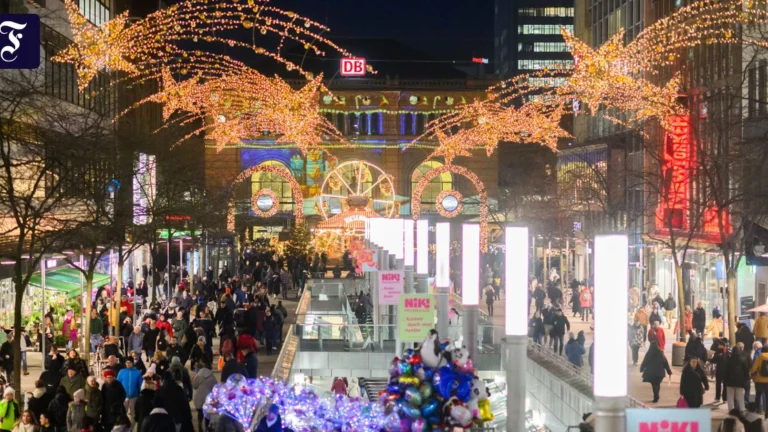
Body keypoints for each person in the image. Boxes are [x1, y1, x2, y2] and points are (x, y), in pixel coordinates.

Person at [192, 361, 216, 432]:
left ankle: (200, 427)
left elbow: (194, 386)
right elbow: (215, 387)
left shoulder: (198, 375)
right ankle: (207, 427)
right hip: (208, 398)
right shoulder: (211, 375)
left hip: (199, 397)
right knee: (207, 414)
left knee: (200, 413)